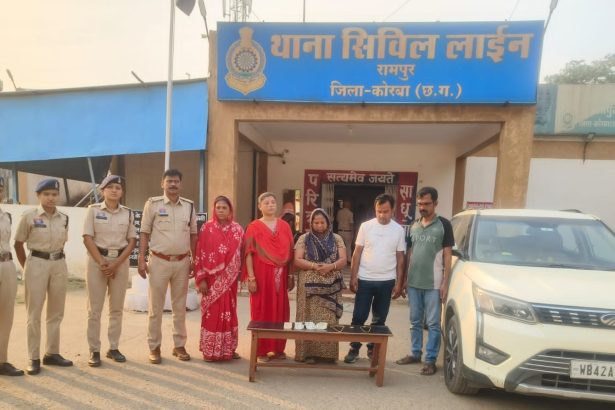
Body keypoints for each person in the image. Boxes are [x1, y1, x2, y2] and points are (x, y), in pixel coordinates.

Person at [138, 169, 197, 364]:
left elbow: (194, 235)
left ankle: (179, 345)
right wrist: (141, 259)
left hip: (182, 262)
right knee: (155, 308)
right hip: (159, 262)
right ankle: (154, 347)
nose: (173, 184)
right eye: (169, 181)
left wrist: (194, 259)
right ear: (162, 183)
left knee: (180, 307)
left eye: (176, 181)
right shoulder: (152, 204)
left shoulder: (189, 206)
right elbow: (144, 232)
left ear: (181, 184)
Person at [14, 178, 72, 375]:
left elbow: (63, 242)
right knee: (34, 313)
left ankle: (52, 353)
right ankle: (33, 357)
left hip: (58, 263)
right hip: (36, 263)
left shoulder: (64, 218)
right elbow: (18, 244)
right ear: (38, 195)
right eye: (46, 194)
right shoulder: (29, 216)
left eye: (54, 194)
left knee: (56, 311)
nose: (51, 198)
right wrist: (27, 267)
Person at [396, 186, 454, 376]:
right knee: (415, 321)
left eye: (427, 204)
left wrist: (445, 282)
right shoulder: (413, 225)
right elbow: (409, 253)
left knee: (433, 324)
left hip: (433, 284)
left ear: (435, 203)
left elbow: (447, 255)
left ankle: (430, 360)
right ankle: (415, 353)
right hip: (414, 283)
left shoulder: (444, 225)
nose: (422, 207)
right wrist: (405, 279)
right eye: (420, 204)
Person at [82, 175, 137, 367]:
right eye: (110, 187)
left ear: (122, 192)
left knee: (116, 308)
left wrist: (116, 264)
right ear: (102, 190)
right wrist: (102, 263)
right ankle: (94, 350)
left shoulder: (127, 213)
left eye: (118, 188)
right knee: (94, 309)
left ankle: (113, 348)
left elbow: (132, 241)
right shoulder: (93, 210)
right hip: (97, 262)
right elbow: (87, 238)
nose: (114, 190)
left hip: (119, 262)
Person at [344, 193, 405, 364]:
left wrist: (399, 283)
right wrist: (353, 277)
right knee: (359, 316)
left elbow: (400, 257)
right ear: (375, 209)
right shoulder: (366, 227)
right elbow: (357, 253)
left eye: (385, 211)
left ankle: (373, 349)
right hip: (365, 279)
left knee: (379, 319)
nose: (382, 215)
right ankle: (354, 349)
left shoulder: (398, 230)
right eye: (379, 211)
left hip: (387, 281)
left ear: (392, 210)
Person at [243, 192, 294, 362]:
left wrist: (290, 274)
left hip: (281, 274)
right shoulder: (253, 227)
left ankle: (278, 348)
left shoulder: (284, 226)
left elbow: (291, 252)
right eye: (266, 203)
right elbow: (248, 254)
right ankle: (261, 351)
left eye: (273, 202)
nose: (270, 205)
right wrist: (251, 278)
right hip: (261, 275)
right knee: (262, 310)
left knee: (281, 311)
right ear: (260, 206)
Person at [193, 196, 243, 362]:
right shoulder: (207, 228)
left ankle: (228, 349)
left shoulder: (237, 229)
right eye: (218, 207)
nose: (221, 210)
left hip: (230, 280)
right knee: (212, 315)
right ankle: (210, 351)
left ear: (230, 210)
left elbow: (241, 253)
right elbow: (199, 253)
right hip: (211, 281)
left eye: (224, 208)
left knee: (229, 313)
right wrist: (201, 278)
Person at [293, 208, 347, 364]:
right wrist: (314, 266)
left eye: (322, 222)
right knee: (307, 318)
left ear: (328, 223)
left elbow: (343, 259)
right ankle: (307, 353)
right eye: (316, 222)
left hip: (331, 285)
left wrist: (331, 267)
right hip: (308, 287)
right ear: (311, 223)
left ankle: (328, 354)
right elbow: (297, 259)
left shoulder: (337, 238)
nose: (319, 225)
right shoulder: (304, 239)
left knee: (329, 319)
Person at [0, 177, 23, 376]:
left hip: (6, 264)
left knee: (6, 315)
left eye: (0, 189)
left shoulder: (6, 215)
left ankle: (2, 360)